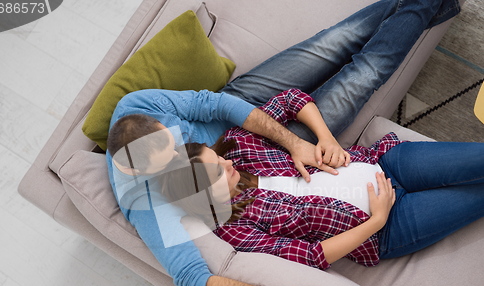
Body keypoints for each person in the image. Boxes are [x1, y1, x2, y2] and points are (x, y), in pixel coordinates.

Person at [106, 0, 461, 286]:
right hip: (255, 160)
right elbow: (194, 280)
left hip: (240, 117)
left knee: (333, 43)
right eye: (170, 160)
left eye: (175, 141)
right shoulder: (145, 204)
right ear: (137, 172)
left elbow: (212, 105)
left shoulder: (139, 108)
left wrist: (296, 144)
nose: (182, 150)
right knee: (362, 76)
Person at [160, 88, 484, 272]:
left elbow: (290, 100)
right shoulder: (235, 230)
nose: (227, 163)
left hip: (385, 162)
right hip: (391, 225)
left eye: (216, 157)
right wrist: (378, 219)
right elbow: (309, 256)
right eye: (217, 171)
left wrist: (325, 138)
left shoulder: (238, 145)